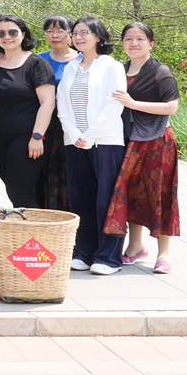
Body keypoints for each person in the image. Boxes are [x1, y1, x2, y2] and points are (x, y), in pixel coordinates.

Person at [107, 21, 181, 276]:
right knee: (131, 191)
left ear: (151, 44)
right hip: (127, 139)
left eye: (140, 39)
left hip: (157, 140)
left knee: (160, 194)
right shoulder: (118, 70)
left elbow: (171, 107)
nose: (134, 43)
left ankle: (164, 254)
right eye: (128, 38)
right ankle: (135, 246)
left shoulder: (161, 71)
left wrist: (133, 103)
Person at [57, 16, 128, 275]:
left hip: (105, 141)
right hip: (74, 141)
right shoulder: (71, 67)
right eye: (75, 33)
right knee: (80, 198)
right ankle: (84, 252)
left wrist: (90, 135)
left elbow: (115, 103)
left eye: (84, 32)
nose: (78, 37)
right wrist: (75, 133)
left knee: (107, 200)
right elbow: (61, 102)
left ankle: (109, 257)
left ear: (98, 36)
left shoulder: (111, 66)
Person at [0, 14, 57, 209]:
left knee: (19, 191)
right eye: (0, 33)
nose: (7, 37)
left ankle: (35, 229)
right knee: (14, 190)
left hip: (28, 136)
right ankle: (29, 226)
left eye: (12, 32)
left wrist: (37, 137)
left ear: (23, 34)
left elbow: (48, 103)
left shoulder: (37, 64)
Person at [34, 15, 74, 212]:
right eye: (49, 31)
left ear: (71, 34)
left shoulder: (82, 59)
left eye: (60, 31)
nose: (54, 35)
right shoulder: (38, 60)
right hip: (45, 124)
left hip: (72, 126)